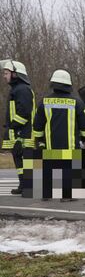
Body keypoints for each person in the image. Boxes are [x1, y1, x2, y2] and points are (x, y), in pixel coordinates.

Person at [31, 69, 85, 201]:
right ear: (69, 84)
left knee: (48, 168)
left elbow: (37, 124)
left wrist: (39, 140)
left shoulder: (45, 102)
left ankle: (46, 195)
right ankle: (66, 196)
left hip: (50, 144)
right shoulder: (77, 102)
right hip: (70, 145)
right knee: (68, 169)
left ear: (53, 83)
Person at [2, 60, 35, 196]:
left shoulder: (22, 90)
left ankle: (28, 186)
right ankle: (23, 185)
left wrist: (14, 127)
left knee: (25, 159)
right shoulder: (17, 89)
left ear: (15, 74)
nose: (4, 76)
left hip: (23, 133)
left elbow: (24, 112)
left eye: (6, 73)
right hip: (19, 132)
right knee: (18, 158)